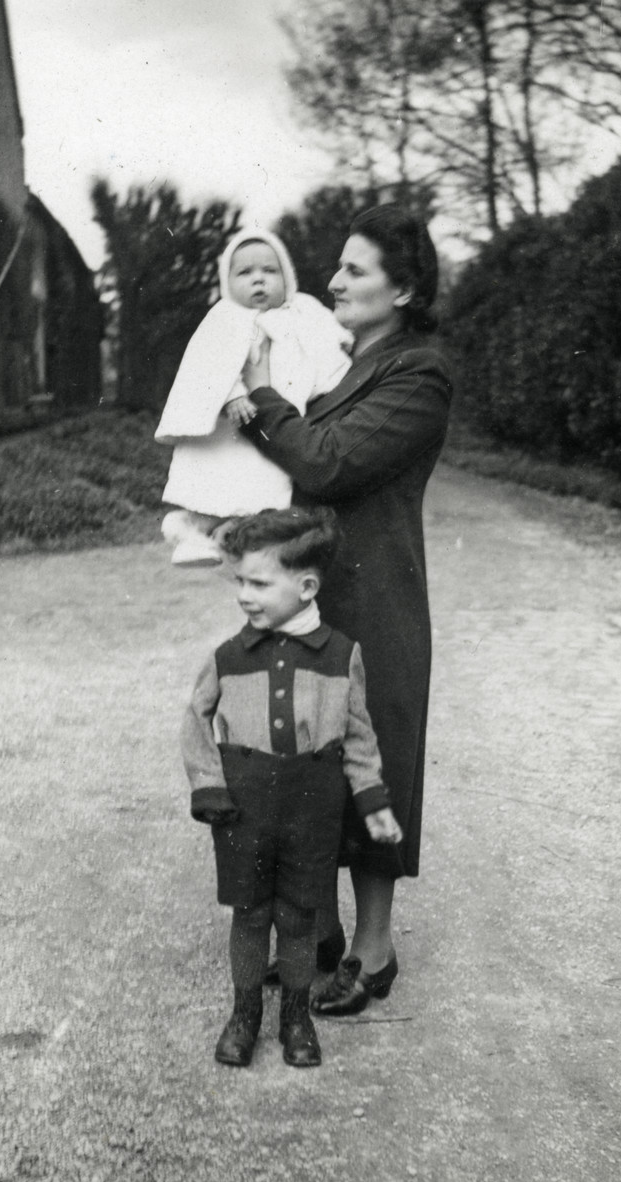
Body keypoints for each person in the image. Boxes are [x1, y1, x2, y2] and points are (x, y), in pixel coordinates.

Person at [239, 203, 453, 1017]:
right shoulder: (329, 363)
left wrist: (260, 395)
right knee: (305, 757)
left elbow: (326, 462)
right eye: (337, 266)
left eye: (356, 269)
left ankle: (374, 949)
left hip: (376, 602)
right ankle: (320, 937)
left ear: (402, 288)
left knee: (372, 761)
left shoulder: (419, 372)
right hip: (312, 599)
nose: (333, 280)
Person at [180, 506, 402, 1068]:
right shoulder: (227, 658)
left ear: (305, 587)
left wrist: (372, 802)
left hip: (313, 804)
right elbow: (195, 720)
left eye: (259, 583)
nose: (244, 595)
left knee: (301, 917)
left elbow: (359, 735)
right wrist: (209, 786)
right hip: (243, 806)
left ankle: (296, 1017)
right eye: (240, 582)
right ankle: (245, 1013)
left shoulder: (340, 655)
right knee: (250, 914)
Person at [154, 229, 351, 566]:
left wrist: (342, 346)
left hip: (280, 419)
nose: (259, 281)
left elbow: (330, 340)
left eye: (270, 271)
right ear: (228, 281)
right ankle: (188, 528)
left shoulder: (303, 310)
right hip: (232, 424)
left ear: (287, 276)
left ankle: (230, 536)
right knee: (221, 481)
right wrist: (231, 394)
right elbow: (208, 363)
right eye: (245, 273)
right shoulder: (225, 317)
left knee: (266, 488)